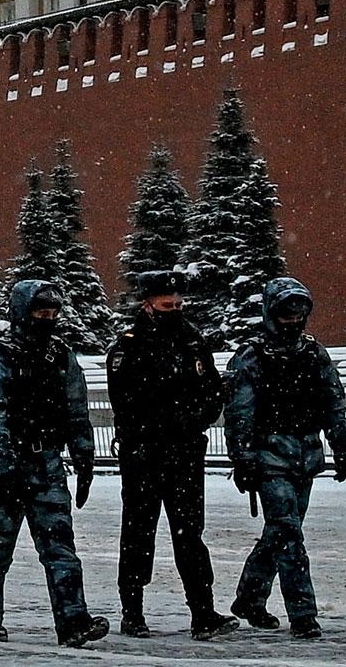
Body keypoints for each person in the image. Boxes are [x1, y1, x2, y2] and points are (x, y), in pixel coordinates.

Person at [0, 279, 109, 647]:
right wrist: (6, 462)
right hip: (4, 469)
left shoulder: (60, 356)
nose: (47, 320)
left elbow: (76, 409)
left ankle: (73, 621)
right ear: (20, 313)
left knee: (61, 549)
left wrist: (83, 455)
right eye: (39, 313)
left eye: (52, 313)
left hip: (47, 463)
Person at [107, 270, 237, 640]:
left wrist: (194, 419)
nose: (175, 310)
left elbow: (213, 391)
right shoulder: (128, 347)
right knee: (137, 533)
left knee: (190, 535)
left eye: (179, 304)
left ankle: (202, 611)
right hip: (144, 455)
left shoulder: (192, 342)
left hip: (184, 454)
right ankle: (132, 611)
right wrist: (168, 421)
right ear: (148, 305)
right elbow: (126, 402)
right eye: (167, 305)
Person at [225, 277, 346, 640]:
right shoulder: (252, 356)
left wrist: (341, 444)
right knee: (287, 535)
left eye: (299, 312)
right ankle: (303, 613)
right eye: (286, 312)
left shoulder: (313, 353)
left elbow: (332, 401)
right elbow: (239, 413)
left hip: (305, 455)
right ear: (270, 313)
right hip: (270, 457)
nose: (293, 320)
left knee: (280, 533)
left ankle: (250, 597)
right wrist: (244, 458)